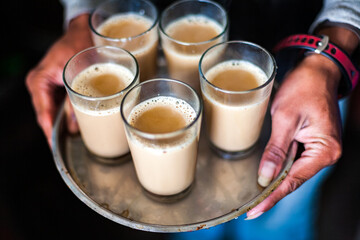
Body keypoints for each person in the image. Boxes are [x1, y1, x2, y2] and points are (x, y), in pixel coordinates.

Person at [25, 0, 360, 239]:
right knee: (192, 227)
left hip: (299, 78)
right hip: (168, 70)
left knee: (276, 225)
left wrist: (327, 59)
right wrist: (81, 15)